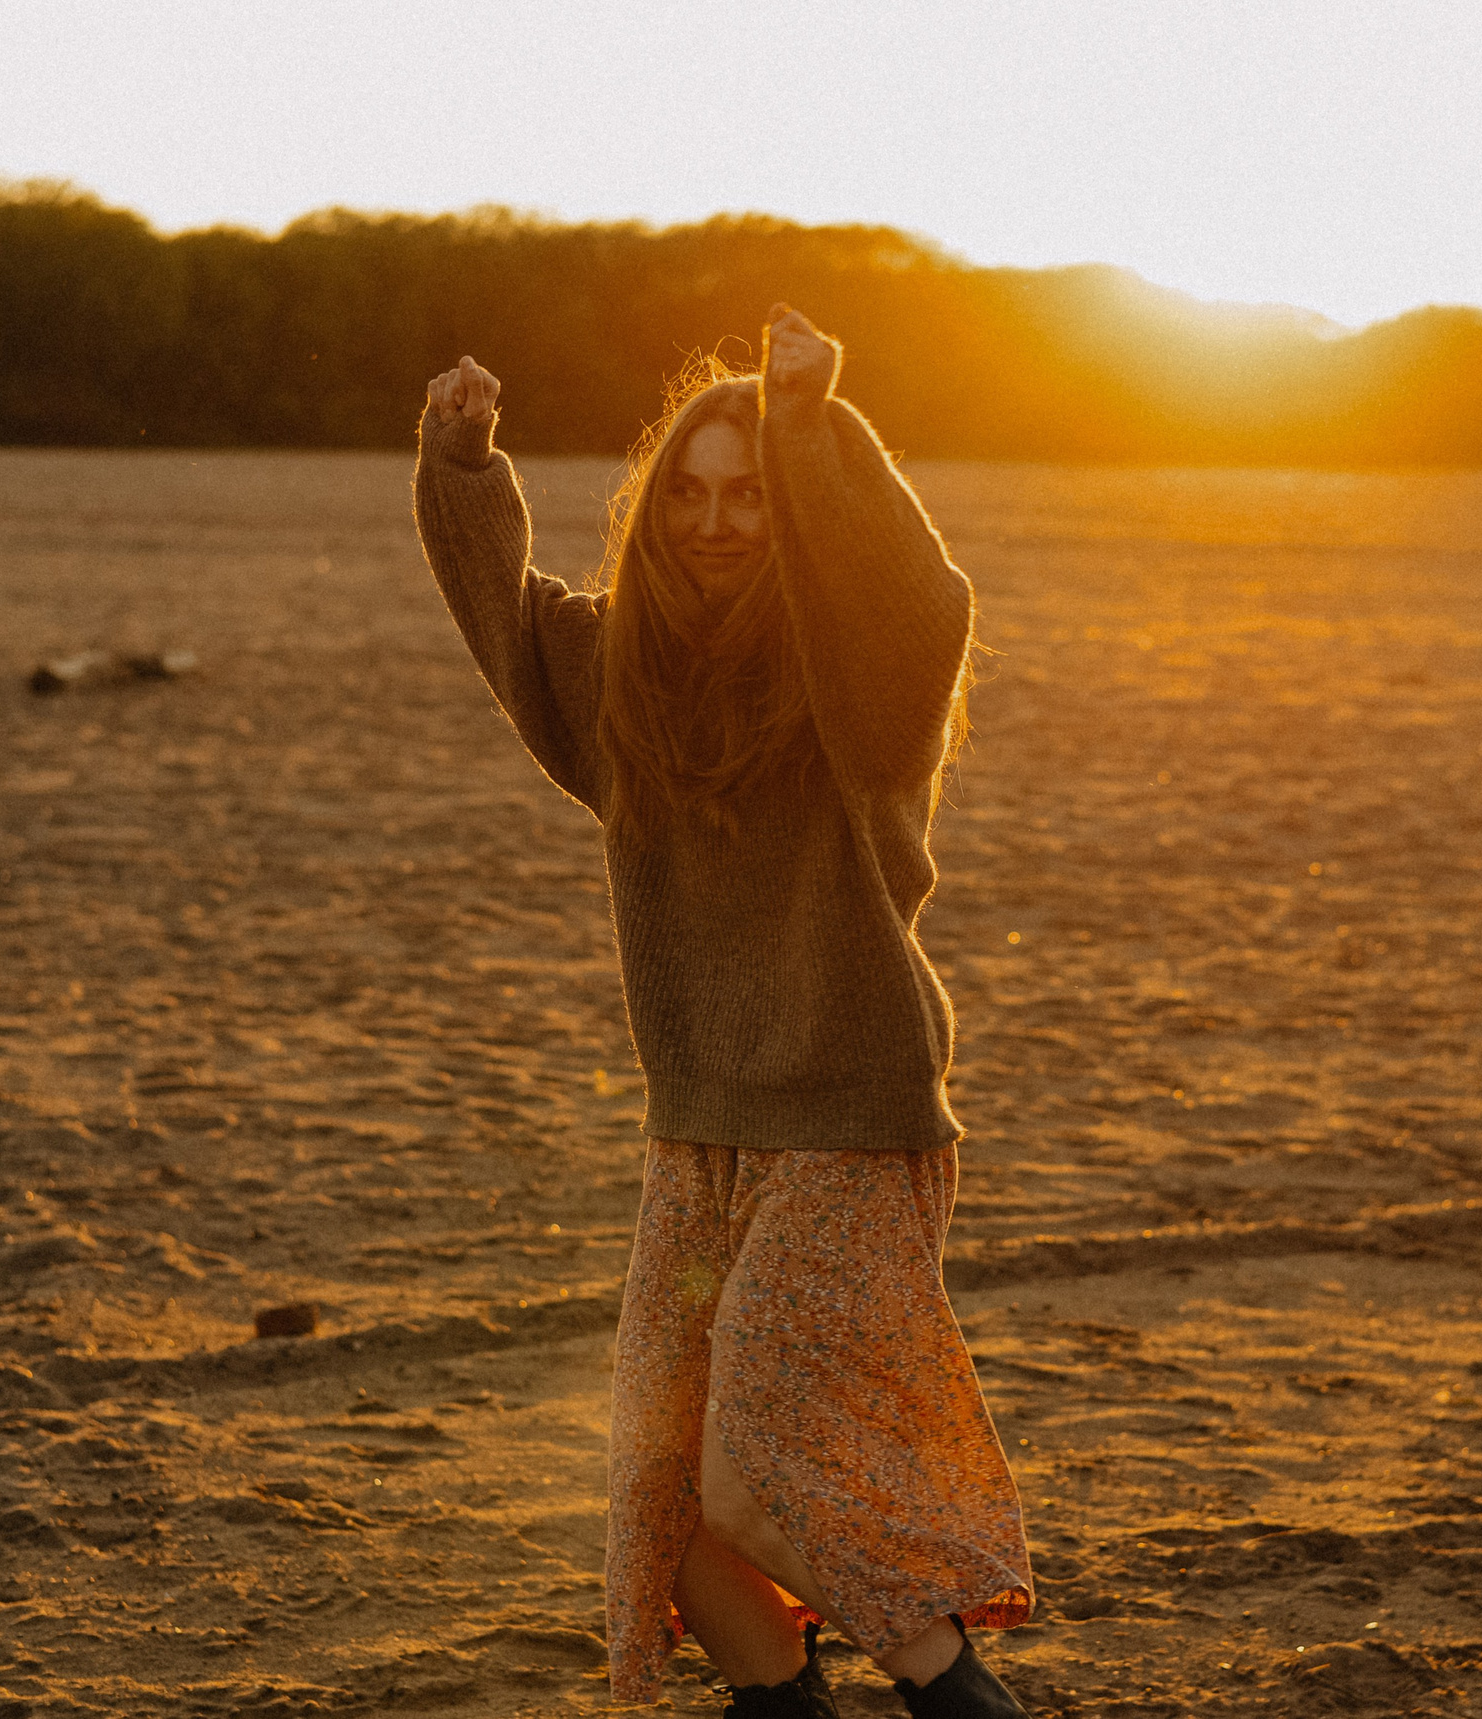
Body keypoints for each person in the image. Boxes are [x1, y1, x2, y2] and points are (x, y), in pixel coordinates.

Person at [414, 307, 1034, 1716]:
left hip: (849, 1124)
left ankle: (960, 1693)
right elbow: (508, 621)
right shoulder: (622, 677)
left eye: (746, 489)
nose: (712, 519)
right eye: (687, 491)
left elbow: (923, 599)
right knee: (671, 1511)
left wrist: (815, 429)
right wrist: (462, 460)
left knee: (757, 1486)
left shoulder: (858, 679)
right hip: (698, 1138)